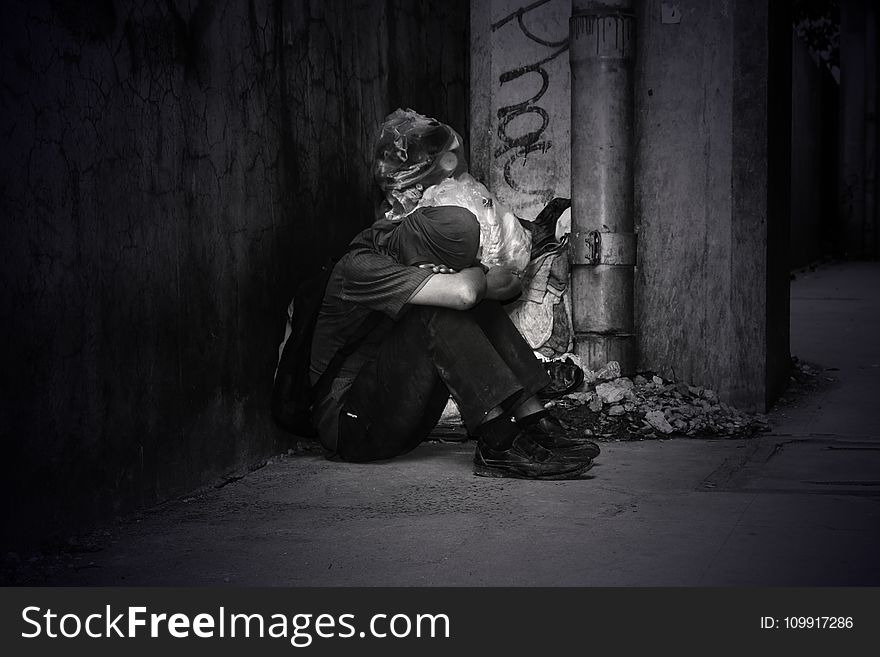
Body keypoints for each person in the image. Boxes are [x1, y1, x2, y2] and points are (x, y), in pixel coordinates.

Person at [308, 112, 599, 479]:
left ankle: (532, 417)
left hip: (399, 416)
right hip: (350, 425)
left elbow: (503, 284)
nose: (443, 264)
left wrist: (472, 279)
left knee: (463, 299)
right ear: (415, 243)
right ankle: (497, 441)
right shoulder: (361, 265)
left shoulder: (411, 258)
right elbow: (464, 292)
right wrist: (473, 277)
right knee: (442, 308)